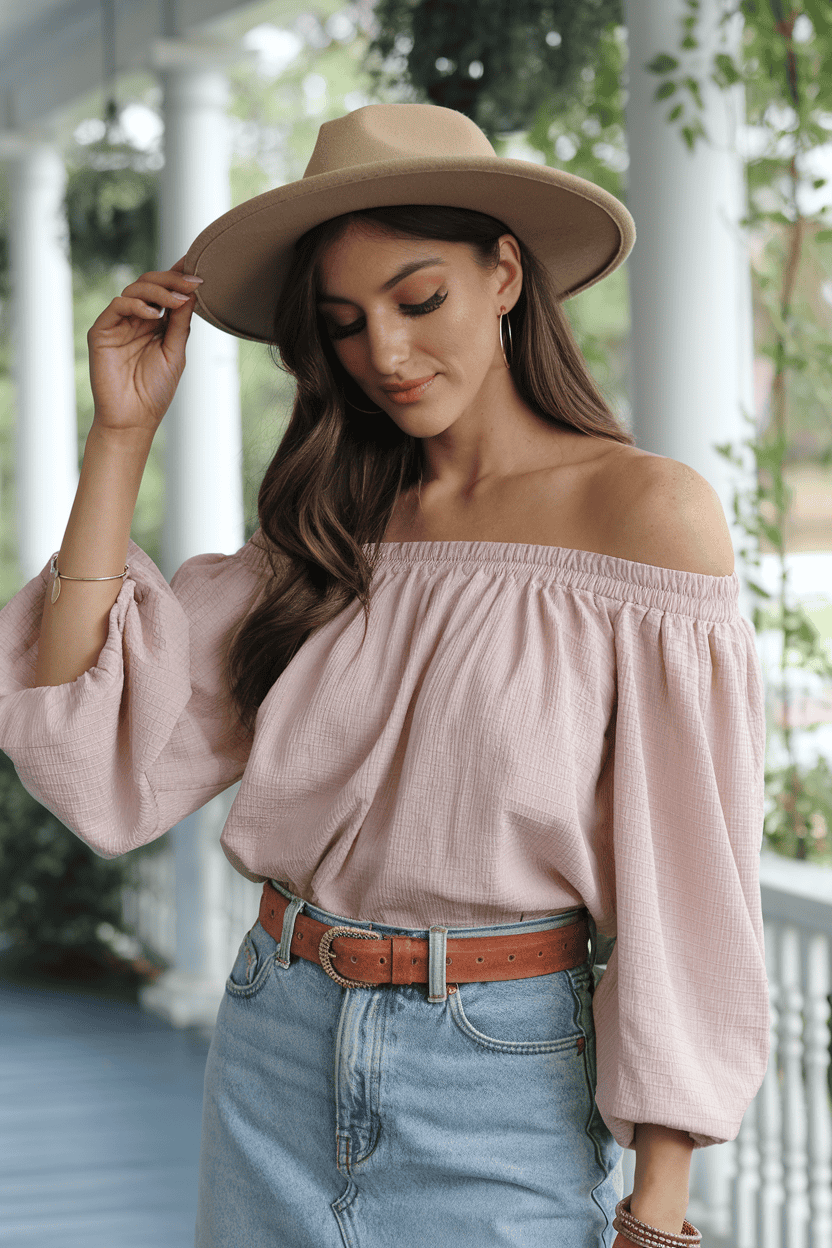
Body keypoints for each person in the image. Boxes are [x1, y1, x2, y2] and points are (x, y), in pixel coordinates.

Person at [0, 103, 768, 1248]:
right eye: (345, 324)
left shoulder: (642, 516)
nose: (386, 356)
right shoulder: (327, 528)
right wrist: (119, 438)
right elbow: (79, 731)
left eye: (420, 301)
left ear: (503, 274)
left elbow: (692, 877)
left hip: (500, 1082)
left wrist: (660, 1205)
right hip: (273, 1039)